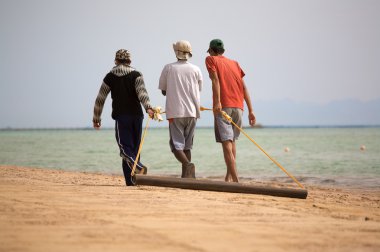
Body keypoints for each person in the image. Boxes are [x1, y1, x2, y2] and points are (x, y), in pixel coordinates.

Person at [93, 49, 154, 186]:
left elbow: (100, 99)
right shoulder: (136, 74)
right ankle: (131, 181)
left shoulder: (110, 77)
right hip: (137, 116)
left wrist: (96, 118)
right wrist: (149, 108)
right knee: (135, 149)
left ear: (116, 61)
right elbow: (142, 93)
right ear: (130, 61)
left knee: (125, 149)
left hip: (122, 117)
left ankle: (135, 165)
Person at [205, 39, 256, 183]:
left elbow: (215, 80)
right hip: (239, 107)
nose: (209, 53)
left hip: (224, 107)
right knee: (232, 142)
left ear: (212, 50)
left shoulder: (211, 59)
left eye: (209, 50)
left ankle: (236, 180)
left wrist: (217, 102)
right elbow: (244, 87)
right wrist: (251, 110)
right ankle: (228, 177)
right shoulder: (235, 63)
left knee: (227, 144)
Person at [159, 40, 203, 178]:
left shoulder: (169, 68)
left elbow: (163, 91)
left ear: (176, 52)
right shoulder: (196, 69)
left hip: (175, 112)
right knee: (187, 146)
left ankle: (188, 165)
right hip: (192, 112)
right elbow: (199, 89)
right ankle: (187, 177)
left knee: (176, 146)